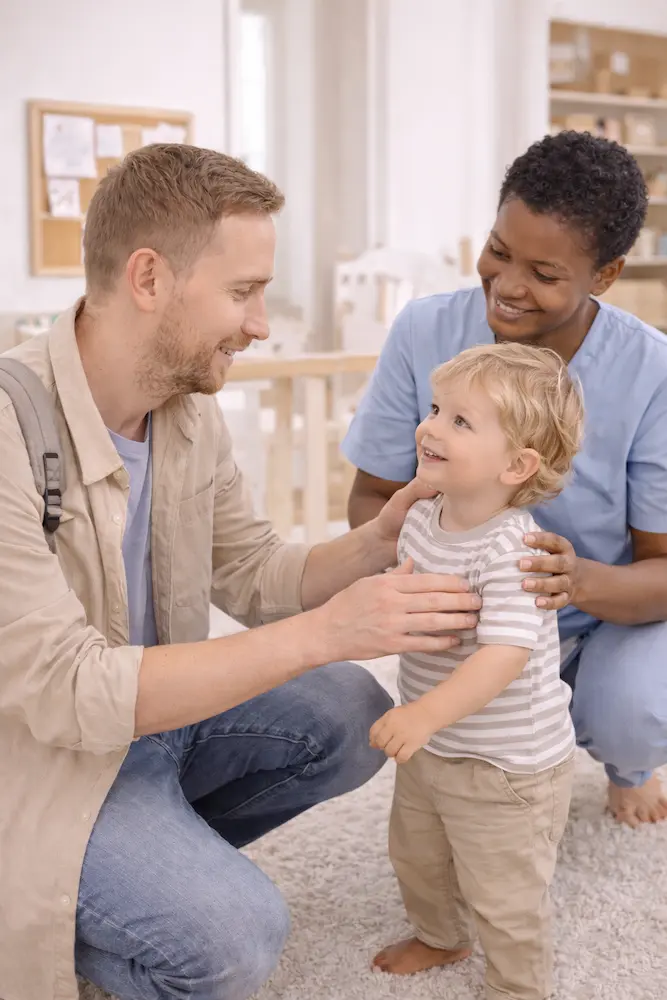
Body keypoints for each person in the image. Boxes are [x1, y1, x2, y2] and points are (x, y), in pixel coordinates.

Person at [0, 145, 491, 1000]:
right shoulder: (11, 427)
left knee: (349, 710)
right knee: (234, 942)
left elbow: (257, 572)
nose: (261, 323)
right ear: (148, 278)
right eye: (242, 292)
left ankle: (129, 872)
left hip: (147, 726)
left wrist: (377, 539)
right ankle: (64, 894)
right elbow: (68, 690)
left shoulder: (186, 412)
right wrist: (326, 632)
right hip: (40, 758)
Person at [343, 130, 667, 829]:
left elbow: (660, 568)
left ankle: (628, 761)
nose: (507, 286)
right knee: (455, 738)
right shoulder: (425, 329)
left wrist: (573, 581)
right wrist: (420, 573)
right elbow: (370, 495)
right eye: (497, 250)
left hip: (602, 608)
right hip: (464, 598)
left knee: (630, 713)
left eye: (544, 275)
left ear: (604, 276)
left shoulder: (649, 373)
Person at [368, 343, 584, 1000]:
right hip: (435, 746)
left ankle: (517, 986)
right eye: (435, 409)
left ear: (516, 465)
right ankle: (438, 934)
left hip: (505, 767)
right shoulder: (422, 520)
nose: (430, 427)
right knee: (417, 855)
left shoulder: (511, 548)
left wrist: (424, 712)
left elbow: (502, 656)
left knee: (504, 890)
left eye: (460, 422)